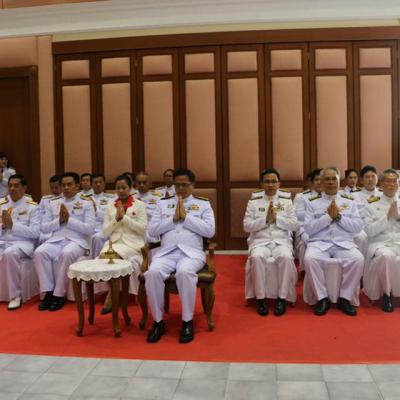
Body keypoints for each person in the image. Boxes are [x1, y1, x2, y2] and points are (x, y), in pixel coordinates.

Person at [145, 168, 215, 343]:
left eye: (185, 185)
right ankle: (158, 322)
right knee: (152, 273)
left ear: (193, 185)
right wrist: (173, 220)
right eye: (177, 185)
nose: (181, 188)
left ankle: (187, 321)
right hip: (166, 253)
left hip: (192, 254)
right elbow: (152, 231)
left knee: (184, 272)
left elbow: (210, 231)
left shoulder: (203, 204)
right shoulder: (162, 204)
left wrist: (186, 218)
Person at [303, 166, 364, 316]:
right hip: (319, 243)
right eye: (327, 179)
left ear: (339, 181)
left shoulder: (350, 202)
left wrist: (339, 217)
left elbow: (357, 227)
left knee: (358, 259)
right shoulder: (312, 202)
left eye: (333, 179)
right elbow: (309, 229)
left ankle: (345, 298)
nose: (330, 182)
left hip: (343, 243)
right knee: (310, 259)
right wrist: (327, 217)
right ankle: (322, 298)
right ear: (321, 182)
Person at [33, 172, 95, 311]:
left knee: (66, 253)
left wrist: (69, 220)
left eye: (69, 184)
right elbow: (44, 227)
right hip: (57, 239)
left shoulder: (86, 203)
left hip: (77, 241)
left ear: (77, 186)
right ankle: (48, 292)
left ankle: (59, 294)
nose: (66, 187)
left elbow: (90, 229)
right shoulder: (53, 203)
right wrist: (59, 221)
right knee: (39, 252)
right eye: (64, 185)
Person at [243, 168, 299, 316]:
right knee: (256, 257)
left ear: (279, 184)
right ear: (261, 184)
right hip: (260, 242)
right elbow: (247, 226)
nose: (270, 185)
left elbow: (295, 225)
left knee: (286, 257)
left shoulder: (286, 202)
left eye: (274, 181)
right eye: (267, 181)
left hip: (281, 242)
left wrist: (277, 219)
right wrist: (265, 220)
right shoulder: (254, 202)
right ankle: (261, 299)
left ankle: (282, 298)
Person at [99, 174, 147, 313]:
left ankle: (111, 296)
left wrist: (124, 218)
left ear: (131, 188)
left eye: (124, 187)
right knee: (103, 256)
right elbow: (105, 231)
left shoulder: (139, 205)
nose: (120, 191)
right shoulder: (110, 206)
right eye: (118, 188)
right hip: (114, 243)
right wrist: (116, 219)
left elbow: (142, 228)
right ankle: (115, 291)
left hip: (132, 244)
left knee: (112, 257)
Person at [0, 174, 40, 310]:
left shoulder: (32, 207)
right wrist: (2, 226)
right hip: (3, 240)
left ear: (24, 188)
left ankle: (15, 296)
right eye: (10, 185)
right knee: (6, 250)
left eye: (16, 186)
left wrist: (13, 226)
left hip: (23, 243)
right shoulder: (1, 204)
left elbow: (35, 233)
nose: (12, 189)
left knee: (9, 253)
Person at [363, 169, 400, 312]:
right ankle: (387, 294)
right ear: (381, 184)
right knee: (386, 256)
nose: (392, 184)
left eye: (395, 181)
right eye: (388, 181)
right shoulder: (371, 204)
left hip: (398, 242)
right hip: (380, 242)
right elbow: (370, 231)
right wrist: (387, 218)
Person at [293, 169, 322, 271]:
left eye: (321, 179)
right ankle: (305, 270)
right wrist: (317, 214)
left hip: (326, 226)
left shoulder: (330, 196)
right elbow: (298, 215)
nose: (319, 182)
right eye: (317, 180)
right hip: (306, 226)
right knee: (306, 239)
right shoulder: (302, 196)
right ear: (312, 182)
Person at [89, 173, 116, 258]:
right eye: (95, 182)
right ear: (91, 184)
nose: (98, 184)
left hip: (103, 229)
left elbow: (111, 217)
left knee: (97, 237)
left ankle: (97, 262)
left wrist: (96, 211)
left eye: (100, 182)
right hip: (88, 229)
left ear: (104, 183)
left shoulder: (112, 198)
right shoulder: (85, 199)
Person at [134, 171, 162, 242]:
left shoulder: (158, 198)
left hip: (151, 229)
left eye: (144, 182)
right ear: (135, 184)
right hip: (135, 228)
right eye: (139, 183)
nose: (141, 185)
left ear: (150, 184)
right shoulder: (130, 198)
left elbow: (159, 217)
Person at [38, 175, 63, 244]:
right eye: (52, 188)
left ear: (62, 186)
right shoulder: (45, 199)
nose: (54, 190)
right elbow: (39, 215)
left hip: (59, 228)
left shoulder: (65, 199)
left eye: (56, 188)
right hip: (46, 227)